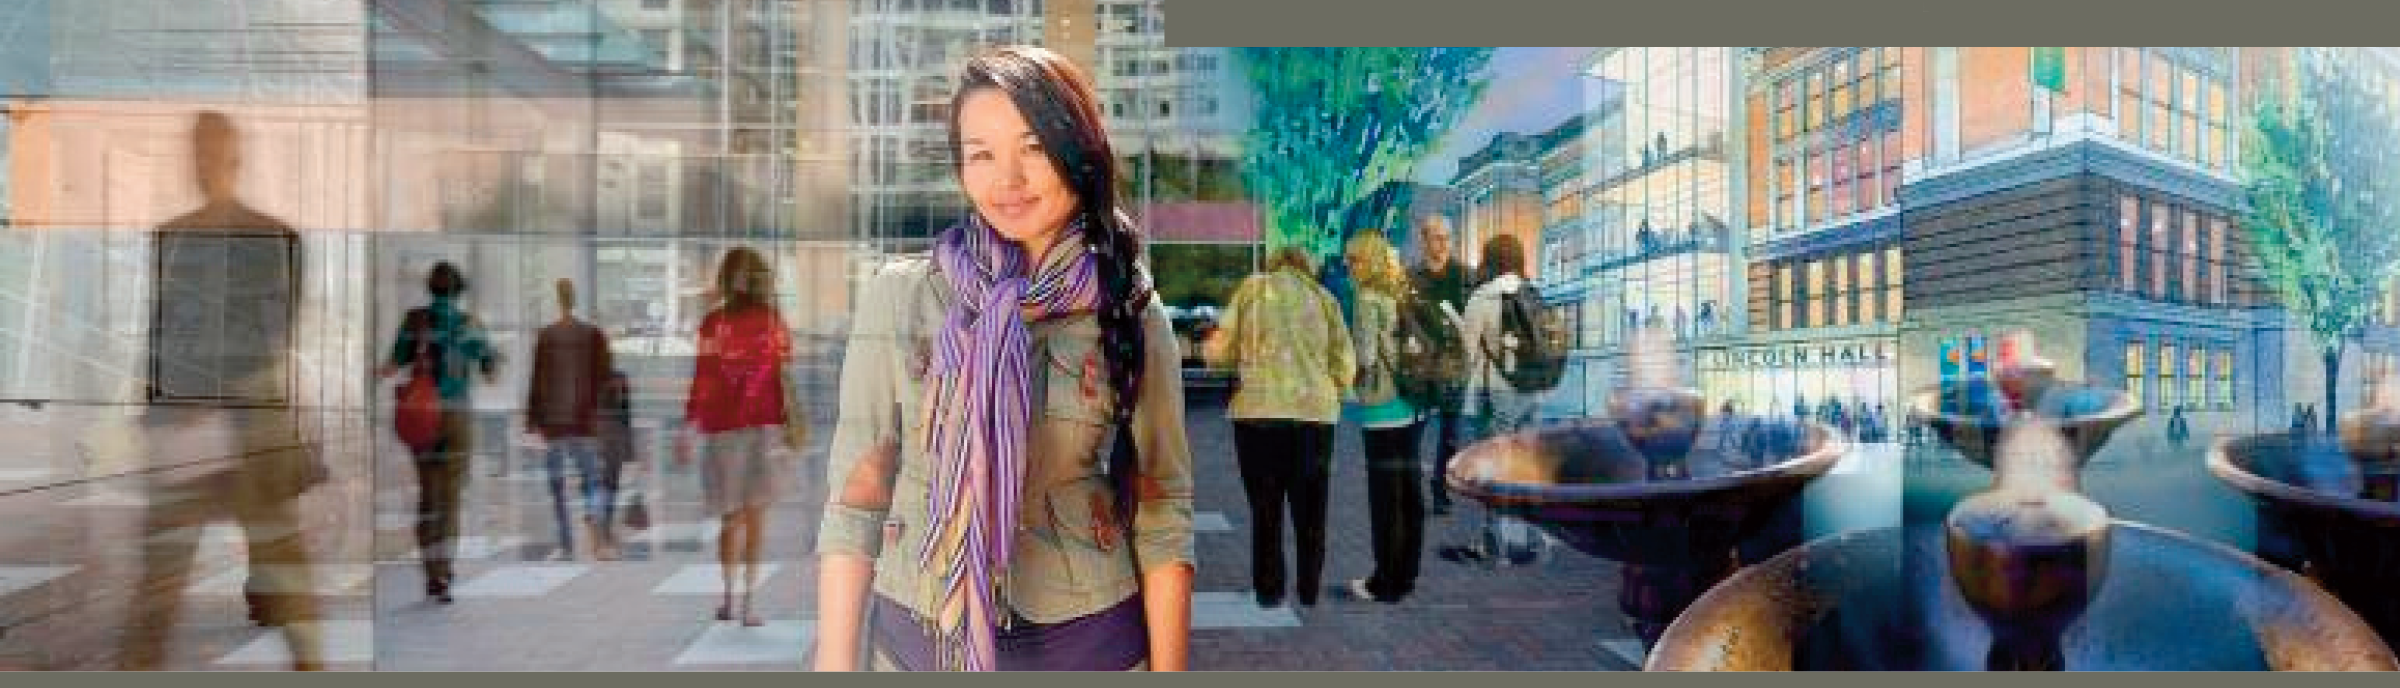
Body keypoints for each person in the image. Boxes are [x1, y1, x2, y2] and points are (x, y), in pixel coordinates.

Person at [812, 46, 1195, 672]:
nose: (1007, 178)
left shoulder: (1129, 308)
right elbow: (856, 500)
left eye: (1033, 148)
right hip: (919, 637)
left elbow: (1163, 507)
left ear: (1078, 153)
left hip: (1089, 639)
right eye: (981, 153)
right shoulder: (900, 298)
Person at [118, 111, 325, 670]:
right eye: (195, 155)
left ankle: (311, 666)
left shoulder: (275, 239)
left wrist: (191, 397)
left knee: (282, 569)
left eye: (211, 155)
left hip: (248, 427)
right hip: (197, 430)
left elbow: (272, 333)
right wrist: (154, 410)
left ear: (233, 160)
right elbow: (160, 328)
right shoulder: (173, 237)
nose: (202, 168)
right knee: (160, 577)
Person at [1208, 245, 1354, 609]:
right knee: (1312, 512)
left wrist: (1229, 361)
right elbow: (1345, 363)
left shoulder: (1252, 290)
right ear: (1307, 266)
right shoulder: (1324, 298)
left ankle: (1269, 590)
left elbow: (1219, 352)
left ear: (1273, 264)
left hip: (1258, 415)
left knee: (1266, 509)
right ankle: (1308, 590)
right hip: (1313, 417)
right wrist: (1329, 389)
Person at [675, 246, 792, 627]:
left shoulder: (715, 322)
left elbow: (704, 376)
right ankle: (743, 602)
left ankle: (734, 599)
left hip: (732, 429)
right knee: (749, 517)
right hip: (756, 428)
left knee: (736, 517)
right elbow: (781, 367)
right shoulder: (768, 320)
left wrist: (689, 424)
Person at [378, 260, 499, 605]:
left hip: (422, 417)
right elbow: (488, 364)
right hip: (456, 417)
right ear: (459, 290)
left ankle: (431, 571)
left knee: (427, 496)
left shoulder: (414, 321)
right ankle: (443, 572)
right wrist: (488, 365)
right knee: (450, 499)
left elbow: (392, 364)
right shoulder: (468, 324)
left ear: (431, 288)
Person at [1438, 234, 1544, 567]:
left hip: (1496, 391)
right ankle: (1528, 541)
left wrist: (1457, 325)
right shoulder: (1532, 293)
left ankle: (1494, 545)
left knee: (1495, 466)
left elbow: (1468, 353)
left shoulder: (1483, 297)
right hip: (1531, 391)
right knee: (1526, 467)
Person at [1340, 230, 1425, 604]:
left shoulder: (1367, 297)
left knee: (1384, 498)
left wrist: (1351, 384)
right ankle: (1406, 575)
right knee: (1409, 494)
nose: (1348, 266)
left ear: (1367, 260)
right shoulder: (1401, 290)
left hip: (1383, 407)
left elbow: (1367, 358)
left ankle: (1384, 582)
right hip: (1413, 404)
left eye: (1353, 259)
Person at [526, 278, 618, 560]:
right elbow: (606, 378)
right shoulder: (594, 335)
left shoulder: (546, 335)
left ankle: (566, 541)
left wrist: (533, 420)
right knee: (592, 480)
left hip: (554, 422)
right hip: (584, 421)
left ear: (558, 300)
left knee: (557, 485)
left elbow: (537, 380)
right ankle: (594, 521)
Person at [1408, 214, 1472, 515]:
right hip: (1420, 367)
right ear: (1424, 240)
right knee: (1412, 433)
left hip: (1453, 365)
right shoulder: (1410, 278)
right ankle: (1411, 492)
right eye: (1437, 237)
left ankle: (1440, 490)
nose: (1444, 243)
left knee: (1450, 435)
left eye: (1448, 237)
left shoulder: (1465, 276)